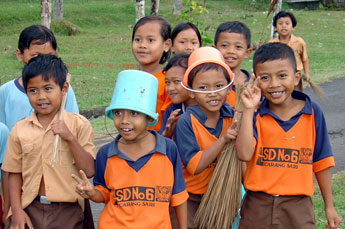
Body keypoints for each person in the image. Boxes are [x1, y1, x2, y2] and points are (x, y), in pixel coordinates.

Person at [236, 43, 341, 229]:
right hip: (257, 205)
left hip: (298, 207)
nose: (274, 84)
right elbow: (244, 154)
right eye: (265, 78)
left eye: (282, 76)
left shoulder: (312, 113)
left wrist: (329, 206)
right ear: (255, 81)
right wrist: (249, 110)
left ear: (296, 77)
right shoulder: (256, 114)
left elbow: (322, 161)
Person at [72, 70, 188, 229]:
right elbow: (104, 193)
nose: (124, 121)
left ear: (149, 118)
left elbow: (179, 196)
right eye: (118, 113)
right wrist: (92, 193)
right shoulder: (105, 154)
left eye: (134, 113)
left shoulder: (168, 150)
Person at [2, 54, 97, 229]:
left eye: (48, 88)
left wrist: (70, 138)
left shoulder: (78, 125)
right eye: (33, 90)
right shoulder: (19, 129)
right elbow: (13, 174)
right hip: (29, 208)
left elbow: (89, 170)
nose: (40, 96)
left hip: (67, 211)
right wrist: (16, 211)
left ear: (64, 88)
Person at [0, 24, 80, 225]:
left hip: (61, 190)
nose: (44, 62)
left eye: (51, 56)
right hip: (21, 185)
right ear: (20, 55)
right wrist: (10, 206)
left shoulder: (65, 92)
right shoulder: (6, 93)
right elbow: (8, 164)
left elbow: (75, 132)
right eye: (36, 56)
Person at [173, 47, 240, 228]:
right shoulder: (186, 122)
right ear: (192, 92)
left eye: (219, 86)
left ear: (229, 89)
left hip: (222, 195)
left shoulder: (232, 117)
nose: (212, 93)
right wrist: (223, 140)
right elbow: (194, 166)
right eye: (203, 87)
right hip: (191, 197)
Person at [132, 15, 172, 132]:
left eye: (150, 40)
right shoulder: (129, 78)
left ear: (166, 45)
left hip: (158, 143)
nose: (142, 45)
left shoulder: (167, 81)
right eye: (138, 39)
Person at [213, 21, 252, 107]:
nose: (231, 51)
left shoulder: (252, 85)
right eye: (224, 46)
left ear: (247, 52)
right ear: (214, 49)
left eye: (238, 47)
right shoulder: (208, 83)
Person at [269, 11, 310, 91]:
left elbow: (304, 59)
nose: (284, 26)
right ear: (275, 27)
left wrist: (306, 73)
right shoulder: (271, 44)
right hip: (278, 75)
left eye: (287, 24)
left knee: (296, 96)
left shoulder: (299, 42)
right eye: (280, 24)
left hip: (295, 75)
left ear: (293, 27)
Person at [159, 53, 196, 138]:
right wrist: (166, 134)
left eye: (176, 81)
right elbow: (161, 143)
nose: (170, 88)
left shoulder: (207, 109)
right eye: (167, 82)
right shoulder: (172, 112)